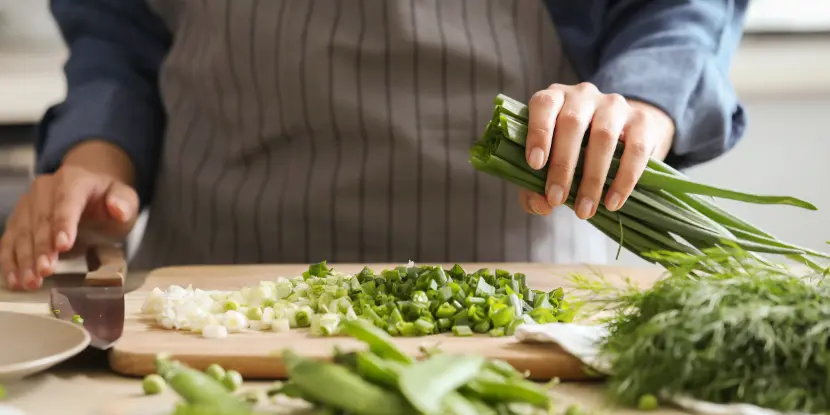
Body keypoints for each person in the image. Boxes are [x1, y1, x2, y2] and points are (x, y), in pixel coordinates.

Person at [1, 0, 749, 291]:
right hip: (207, 304)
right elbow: (117, 26)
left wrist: (642, 104)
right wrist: (99, 154)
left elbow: (677, 10)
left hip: (519, 302)